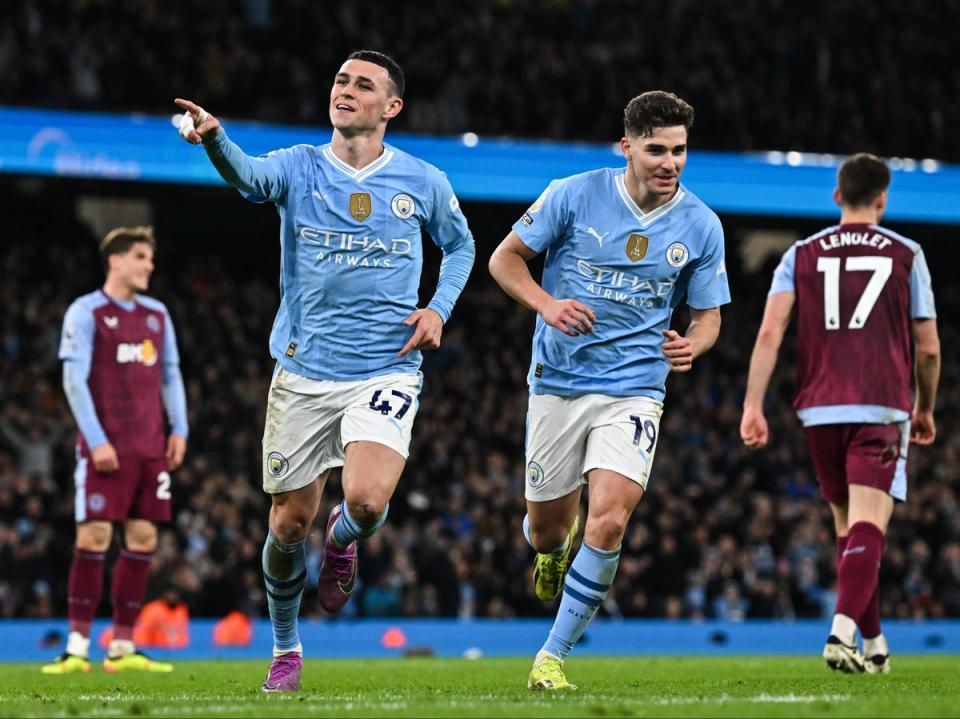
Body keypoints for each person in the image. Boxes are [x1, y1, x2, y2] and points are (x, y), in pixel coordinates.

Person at [175, 49, 475, 692]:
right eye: (340, 79)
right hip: (305, 370)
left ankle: (344, 540)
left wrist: (438, 309)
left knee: (366, 500)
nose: (345, 90)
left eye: (363, 84)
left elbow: (461, 245)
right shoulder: (299, 165)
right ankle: (286, 648)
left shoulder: (422, 180)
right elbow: (248, 178)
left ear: (391, 107)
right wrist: (216, 139)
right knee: (286, 525)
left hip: (385, 368)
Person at [489, 91, 730, 690]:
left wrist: (693, 345)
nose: (669, 162)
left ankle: (551, 656)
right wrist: (547, 304)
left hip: (635, 388)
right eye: (656, 149)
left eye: (679, 150)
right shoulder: (573, 194)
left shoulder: (701, 224)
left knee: (610, 521)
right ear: (627, 147)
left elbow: (709, 316)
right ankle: (550, 546)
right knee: (547, 528)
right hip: (560, 383)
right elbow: (505, 259)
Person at [740, 153, 940, 674]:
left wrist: (752, 404)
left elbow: (769, 333)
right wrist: (925, 408)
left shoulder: (800, 254)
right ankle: (841, 632)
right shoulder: (907, 253)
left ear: (836, 198)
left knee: (848, 529)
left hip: (820, 408)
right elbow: (929, 349)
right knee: (871, 524)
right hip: (879, 404)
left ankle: (872, 645)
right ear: (883, 200)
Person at [44, 226, 188, 674]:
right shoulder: (86, 312)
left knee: (143, 538)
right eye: (142, 257)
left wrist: (179, 428)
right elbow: (73, 380)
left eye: (150, 257)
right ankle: (76, 647)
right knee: (94, 537)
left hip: (149, 447)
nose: (149, 265)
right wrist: (97, 438)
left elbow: (170, 377)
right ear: (116, 260)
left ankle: (123, 647)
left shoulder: (157, 315)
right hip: (105, 447)